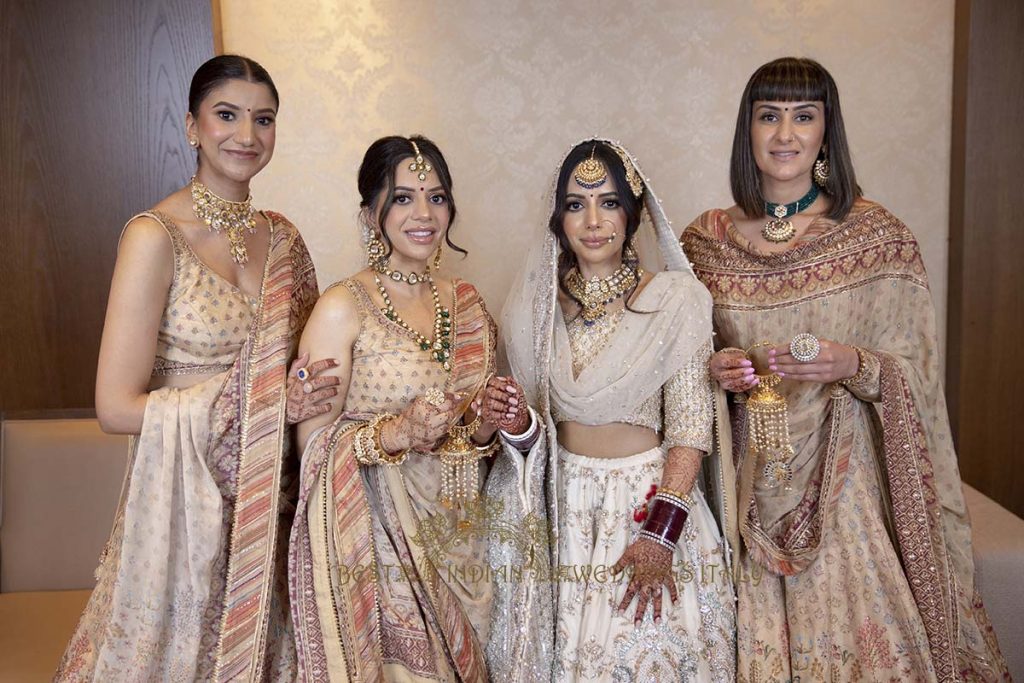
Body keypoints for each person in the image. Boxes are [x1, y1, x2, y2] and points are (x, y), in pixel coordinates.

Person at [682, 57, 1009, 681]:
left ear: (826, 132)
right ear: (747, 130)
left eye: (804, 117)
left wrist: (854, 362)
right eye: (769, 116)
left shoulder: (875, 238)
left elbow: (919, 373)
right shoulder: (706, 242)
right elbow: (682, 357)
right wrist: (717, 368)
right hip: (749, 476)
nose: (785, 135)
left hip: (846, 474)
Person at [56, 55, 335, 681]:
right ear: (191, 125)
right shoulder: (155, 236)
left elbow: (304, 371)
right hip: (183, 499)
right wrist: (260, 403)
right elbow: (115, 407)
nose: (247, 135)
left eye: (263, 120)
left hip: (274, 498)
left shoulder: (285, 240)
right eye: (227, 115)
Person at [486, 139, 736, 682]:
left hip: (647, 508)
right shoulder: (537, 310)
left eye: (609, 202)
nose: (593, 220)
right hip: (564, 510)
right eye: (576, 204)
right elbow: (535, 432)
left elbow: (692, 425)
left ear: (634, 212)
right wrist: (510, 422)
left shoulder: (676, 300)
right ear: (558, 220)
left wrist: (660, 534)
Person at [288, 135, 498, 682]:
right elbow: (312, 449)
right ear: (369, 213)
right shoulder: (342, 307)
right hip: (379, 543)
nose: (424, 214)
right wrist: (397, 433)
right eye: (403, 198)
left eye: (436, 196)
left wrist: (491, 423)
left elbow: (477, 435)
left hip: (466, 535)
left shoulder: (468, 302)